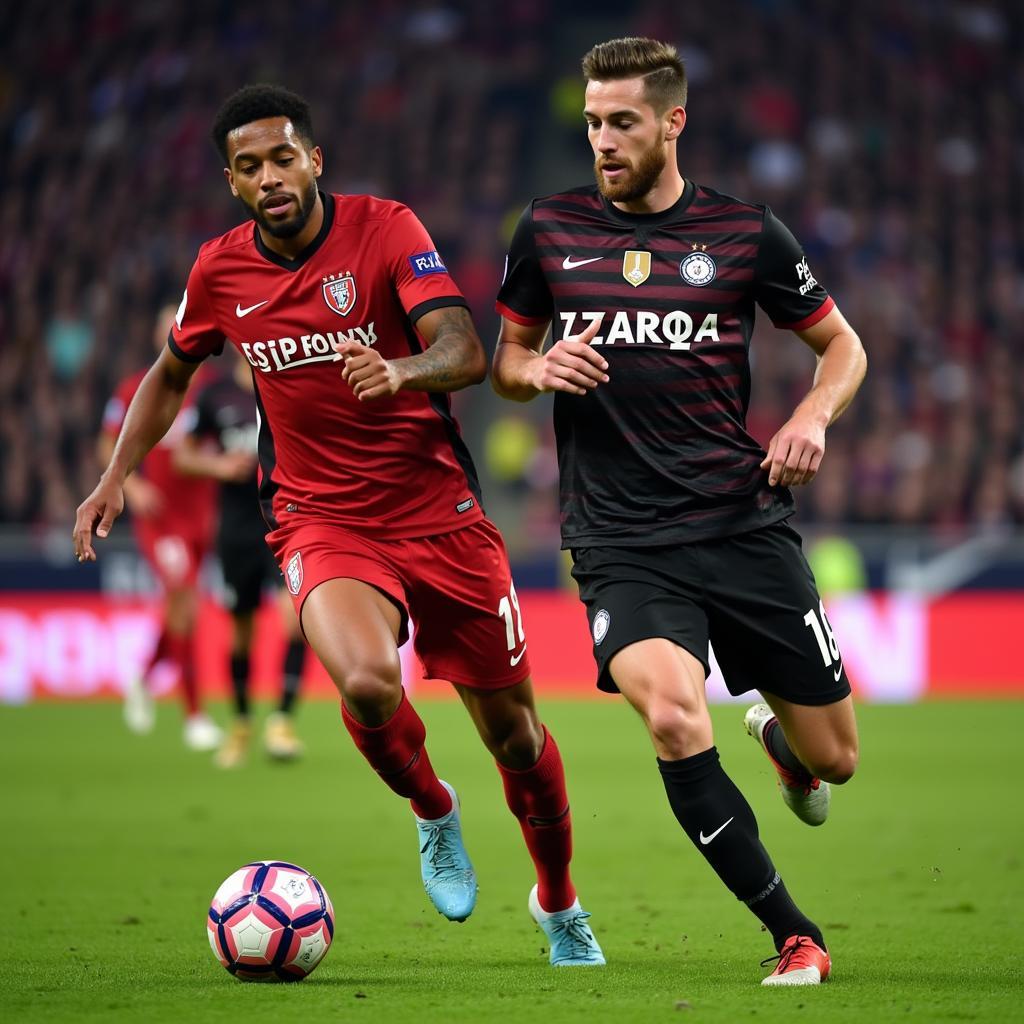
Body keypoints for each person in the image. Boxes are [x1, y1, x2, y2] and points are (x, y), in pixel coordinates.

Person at [74, 84, 603, 967]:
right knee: (364, 683)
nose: (271, 177)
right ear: (234, 183)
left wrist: (399, 372)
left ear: (315, 159)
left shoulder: (387, 228)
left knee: (516, 736)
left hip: (440, 513)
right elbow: (169, 373)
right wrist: (114, 475)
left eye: (284, 157)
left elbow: (464, 350)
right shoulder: (219, 271)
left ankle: (559, 903)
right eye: (249, 167)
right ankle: (434, 810)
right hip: (320, 517)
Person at [492, 37, 866, 986]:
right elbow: (504, 359)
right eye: (590, 123)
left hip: (744, 523)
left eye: (622, 122)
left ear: (673, 122)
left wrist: (812, 418)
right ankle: (794, 932)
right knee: (673, 715)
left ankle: (787, 749)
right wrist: (535, 368)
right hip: (621, 541)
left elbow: (843, 349)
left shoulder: (746, 233)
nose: (603, 141)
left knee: (840, 758)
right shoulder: (546, 231)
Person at [174, 349, 307, 768]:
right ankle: (242, 723)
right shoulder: (215, 393)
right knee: (241, 631)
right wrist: (219, 466)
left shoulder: (288, 379)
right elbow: (183, 455)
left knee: (296, 619)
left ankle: (282, 721)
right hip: (235, 530)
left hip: (285, 521)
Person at [98, 305, 222, 751]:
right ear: (158, 333)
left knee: (181, 610)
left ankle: (143, 678)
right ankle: (194, 716)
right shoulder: (137, 388)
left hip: (202, 518)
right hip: (161, 518)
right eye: (167, 324)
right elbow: (105, 445)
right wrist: (131, 485)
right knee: (186, 605)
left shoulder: (209, 391)